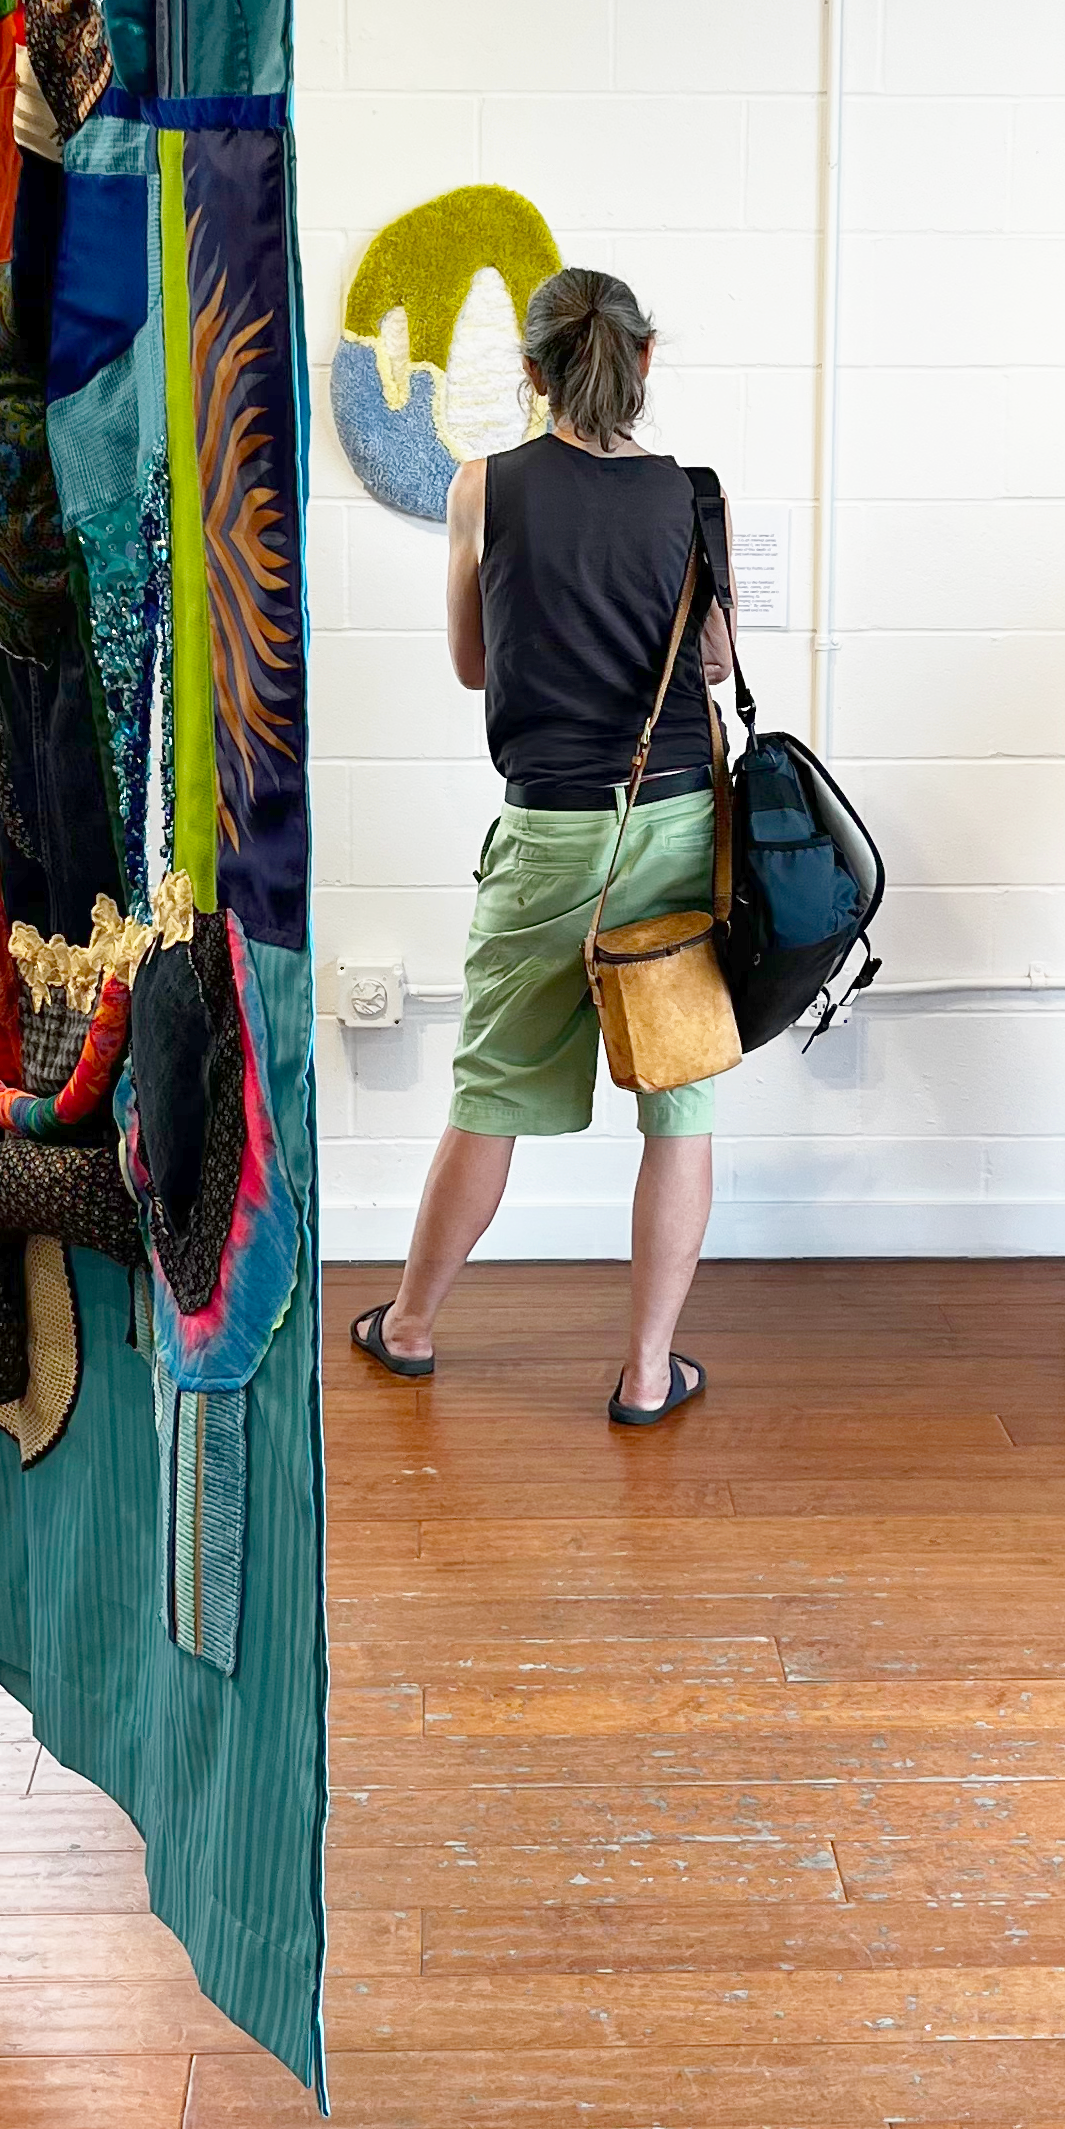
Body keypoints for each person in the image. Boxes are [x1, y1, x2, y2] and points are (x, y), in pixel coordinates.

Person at [349, 268, 734, 1427]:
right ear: (647, 359)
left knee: (492, 1092)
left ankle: (410, 1328)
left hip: (548, 831)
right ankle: (649, 1373)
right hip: (673, 829)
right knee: (680, 1111)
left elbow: (475, 666)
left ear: (529, 374)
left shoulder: (484, 488)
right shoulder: (692, 495)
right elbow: (713, 663)